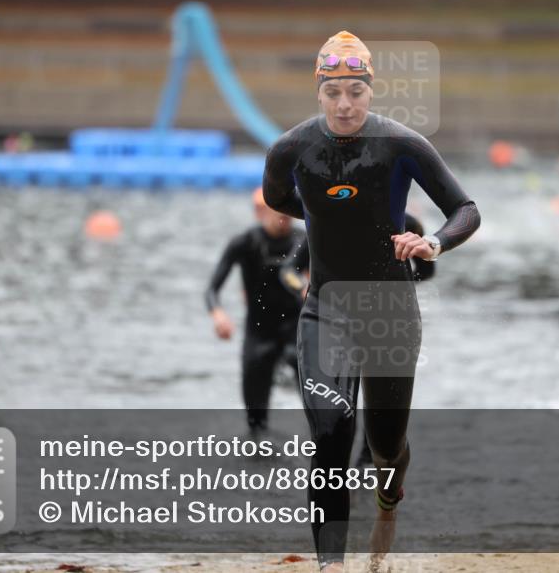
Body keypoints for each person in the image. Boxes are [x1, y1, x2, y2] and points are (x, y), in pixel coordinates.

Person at [263, 31, 480, 572]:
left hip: (389, 312)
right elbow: (276, 197)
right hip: (325, 310)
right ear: (318, 91)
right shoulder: (290, 150)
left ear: (371, 90)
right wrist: (323, 213)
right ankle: (330, 567)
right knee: (332, 436)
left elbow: (466, 209)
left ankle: (389, 496)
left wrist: (433, 243)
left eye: (355, 91)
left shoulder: (402, 145)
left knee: (385, 445)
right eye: (333, 91)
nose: (344, 103)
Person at [279, 213, 436, 468]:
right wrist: (302, 286)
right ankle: (331, 446)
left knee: (378, 398)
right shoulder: (325, 218)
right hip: (334, 320)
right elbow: (288, 270)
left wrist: (399, 282)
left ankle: (366, 459)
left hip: (382, 320)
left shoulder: (404, 223)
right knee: (337, 400)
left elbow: (427, 271)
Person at [205, 187, 306, 436]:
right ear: (260, 211)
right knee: (255, 420)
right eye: (276, 210)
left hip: (296, 330)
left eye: (289, 210)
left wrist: (312, 290)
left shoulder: (304, 240)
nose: (284, 216)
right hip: (259, 331)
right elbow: (212, 290)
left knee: (318, 407)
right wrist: (218, 314)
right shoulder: (244, 243)